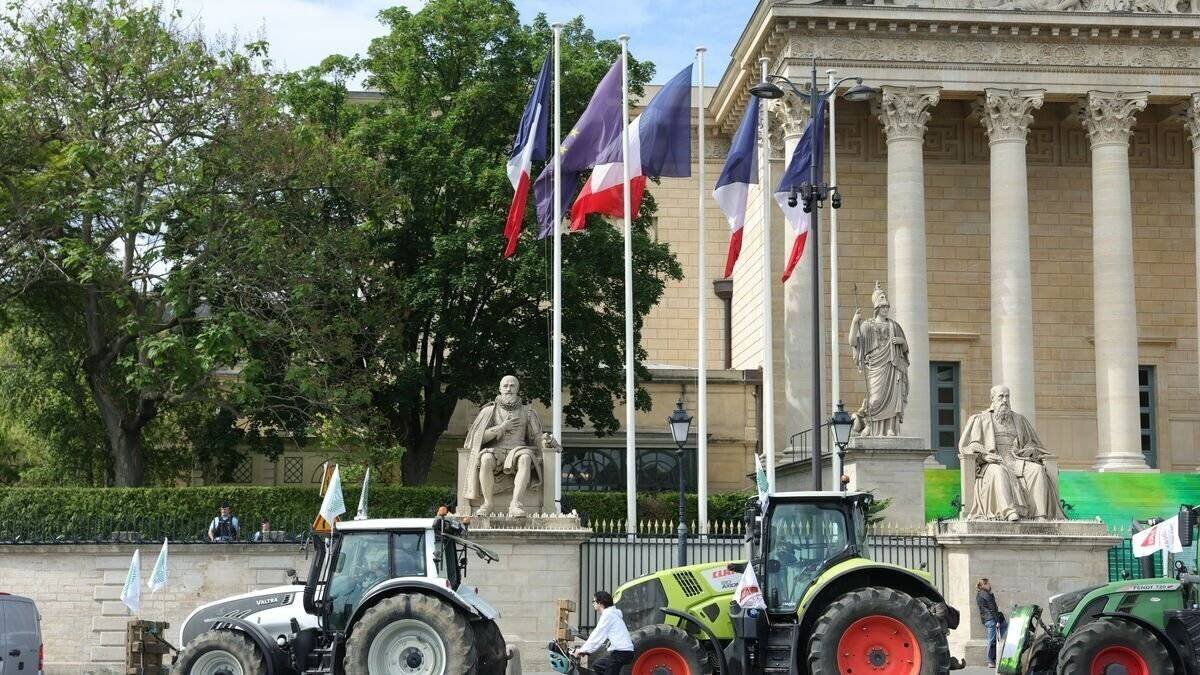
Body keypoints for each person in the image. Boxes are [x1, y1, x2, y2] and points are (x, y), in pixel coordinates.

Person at [960, 385, 1065, 521]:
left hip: (1016, 460)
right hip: (993, 461)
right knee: (998, 472)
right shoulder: (980, 419)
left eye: (1007, 396)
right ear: (992, 399)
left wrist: (1028, 450)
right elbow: (971, 445)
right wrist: (985, 455)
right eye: (1001, 396)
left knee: (1037, 470)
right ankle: (1009, 511)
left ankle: (1040, 515)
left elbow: (1032, 443)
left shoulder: (1019, 419)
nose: (1005, 400)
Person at [848, 282, 909, 437]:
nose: (886, 309)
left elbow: (906, 348)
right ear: (877, 308)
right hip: (875, 366)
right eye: (883, 307)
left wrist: (902, 343)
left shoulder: (894, 326)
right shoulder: (867, 325)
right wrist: (855, 322)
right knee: (875, 399)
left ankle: (890, 429)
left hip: (892, 365)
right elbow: (853, 342)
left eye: (887, 307)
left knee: (893, 397)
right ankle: (874, 427)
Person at [573, 591, 634, 675]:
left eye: (593, 601)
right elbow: (600, 636)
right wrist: (586, 651)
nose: (592, 604)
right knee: (598, 665)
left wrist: (582, 649)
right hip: (622, 652)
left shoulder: (608, 615)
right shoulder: (612, 614)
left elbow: (597, 635)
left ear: (600, 603)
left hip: (621, 652)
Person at [976, 578, 1006, 668]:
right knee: (991, 640)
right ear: (984, 585)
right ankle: (990, 660)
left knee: (995, 637)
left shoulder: (979, 594)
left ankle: (993, 657)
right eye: (988, 584)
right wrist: (997, 621)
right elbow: (993, 609)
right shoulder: (986, 595)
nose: (990, 585)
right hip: (991, 619)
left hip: (987, 619)